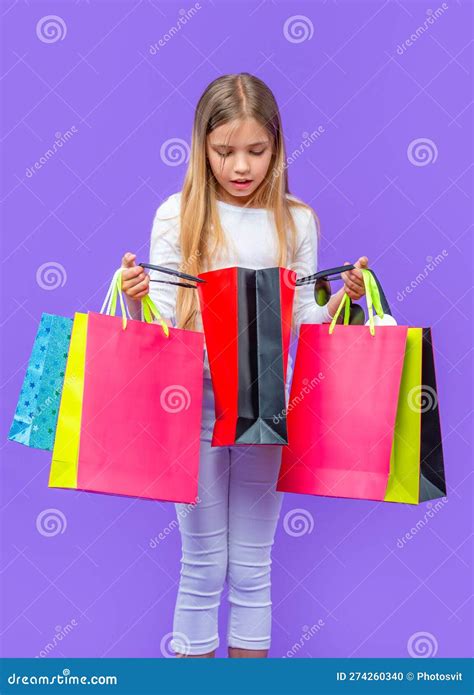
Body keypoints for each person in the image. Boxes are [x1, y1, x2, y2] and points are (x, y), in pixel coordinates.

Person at [121, 73, 368, 658]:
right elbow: (160, 324)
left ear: (276, 149)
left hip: (265, 400)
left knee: (254, 566)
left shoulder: (296, 220)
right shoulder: (175, 216)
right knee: (202, 567)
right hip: (192, 401)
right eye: (224, 151)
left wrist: (344, 301)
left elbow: (305, 319)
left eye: (256, 151)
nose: (240, 166)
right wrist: (134, 295)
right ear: (201, 148)